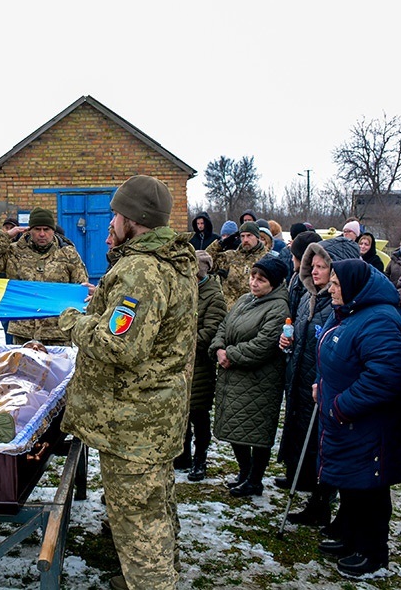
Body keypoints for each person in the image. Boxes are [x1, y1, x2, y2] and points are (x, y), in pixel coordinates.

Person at [58, 175, 196, 590]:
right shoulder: (171, 260)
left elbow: (120, 346)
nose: (111, 222)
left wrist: (75, 322)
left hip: (133, 422)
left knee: (138, 521)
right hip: (155, 413)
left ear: (133, 218)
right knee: (157, 506)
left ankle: (152, 582)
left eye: (116, 214)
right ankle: (159, 574)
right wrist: (104, 301)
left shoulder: (141, 270)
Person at [314, 259, 401, 579]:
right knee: (351, 483)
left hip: (366, 424)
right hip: (346, 422)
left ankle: (373, 552)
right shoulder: (351, 312)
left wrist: (340, 406)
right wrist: (321, 385)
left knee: (370, 488)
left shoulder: (379, 320)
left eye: (336, 284)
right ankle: (350, 537)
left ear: (355, 286)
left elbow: (384, 377)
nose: (330, 289)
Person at [277, 234, 358, 526]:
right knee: (304, 434)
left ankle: (322, 498)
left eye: (322, 267)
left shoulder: (341, 305)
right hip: (301, 379)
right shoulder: (308, 298)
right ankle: (306, 482)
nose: (314, 271)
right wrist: (287, 342)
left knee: (324, 443)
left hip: (324, 384)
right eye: (312, 266)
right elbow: (301, 334)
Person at [209, 255, 290, 498]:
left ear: (273, 283)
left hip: (259, 381)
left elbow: (264, 345)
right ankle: (245, 472)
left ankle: (255, 479)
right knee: (236, 428)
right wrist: (218, 348)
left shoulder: (278, 308)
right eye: (252, 277)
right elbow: (224, 326)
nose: (254, 283)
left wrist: (230, 355)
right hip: (234, 378)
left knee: (256, 432)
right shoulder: (245, 299)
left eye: (261, 280)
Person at [0, 206, 88, 345]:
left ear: (53, 230)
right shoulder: (15, 252)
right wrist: (5, 236)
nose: (42, 234)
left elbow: (81, 289)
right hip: (22, 331)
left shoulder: (68, 254)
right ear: (29, 230)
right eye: (37, 229)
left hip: (57, 333)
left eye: (46, 229)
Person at [174, 250, 227, 481]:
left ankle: (200, 459)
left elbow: (211, 330)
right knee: (182, 412)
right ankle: (183, 455)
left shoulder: (214, 296)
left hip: (200, 364)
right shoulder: (184, 290)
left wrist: (181, 342)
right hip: (181, 362)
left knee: (198, 413)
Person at [207, 221, 269, 308]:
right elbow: (204, 261)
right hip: (229, 310)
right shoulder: (230, 256)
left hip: (254, 309)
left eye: (249, 235)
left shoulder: (267, 259)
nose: (246, 240)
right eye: (242, 236)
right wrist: (220, 244)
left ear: (257, 237)